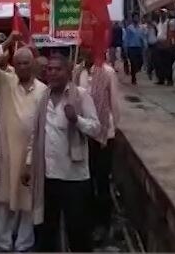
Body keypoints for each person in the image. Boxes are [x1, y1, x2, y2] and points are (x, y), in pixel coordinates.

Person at [28, 53, 101, 252]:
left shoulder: (80, 95)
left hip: (74, 176)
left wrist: (76, 119)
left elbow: (96, 129)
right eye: (49, 69)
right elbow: (35, 134)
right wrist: (29, 163)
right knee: (48, 228)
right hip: (49, 175)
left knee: (77, 230)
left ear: (68, 72)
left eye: (57, 69)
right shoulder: (43, 98)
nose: (52, 73)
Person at [0, 32, 48, 252]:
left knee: (27, 200)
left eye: (26, 63)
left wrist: (32, 159)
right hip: (7, 151)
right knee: (3, 201)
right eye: (18, 63)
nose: (22, 67)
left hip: (31, 154)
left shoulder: (42, 91)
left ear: (33, 65)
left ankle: (23, 244)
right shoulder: (6, 82)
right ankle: (3, 242)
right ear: (14, 64)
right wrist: (8, 42)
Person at [73, 48, 120, 244]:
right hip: (83, 132)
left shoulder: (107, 72)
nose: (86, 51)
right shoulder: (77, 71)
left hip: (103, 136)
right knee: (85, 178)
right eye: (84, 46)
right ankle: (88, 222)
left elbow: (114, 105)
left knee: (101, 180)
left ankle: (104, 224)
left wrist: (109, 133)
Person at [123, 12, 146, 85]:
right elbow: (126, 39)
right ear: (133, 18)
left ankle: (135, 71)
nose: (136, 19)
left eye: (137, 17)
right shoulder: (130, 28)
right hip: (131, 48)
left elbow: (143, 38)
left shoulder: (141, 28)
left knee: (140, 63)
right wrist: (125, 48)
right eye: (135, 17)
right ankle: (133, 78)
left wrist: (145, 45)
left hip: (139, 48)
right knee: (133, 63)